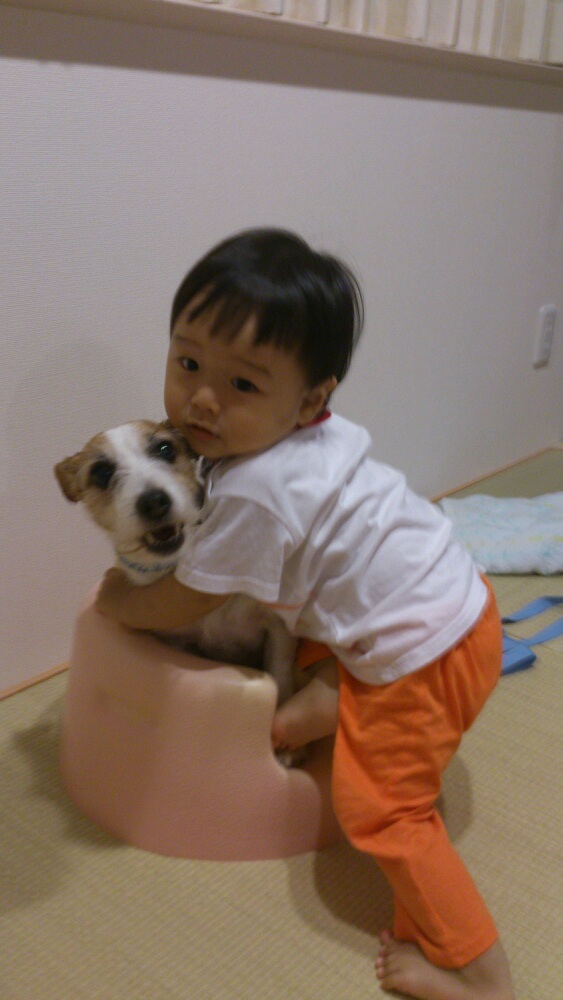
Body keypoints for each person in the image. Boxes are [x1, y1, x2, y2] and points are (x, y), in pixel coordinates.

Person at [97, 228, 515, 1000]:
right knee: (307, 632)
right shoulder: (311, 439)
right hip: (453, 602)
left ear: (310, 400)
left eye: (242, 384)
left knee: (383, 812)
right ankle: (330, 700)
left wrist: (118, 600)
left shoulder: (258, 491)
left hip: (422, 653)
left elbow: (188, 596)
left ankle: (479, 973)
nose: (202, 399)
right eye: (187, 364)